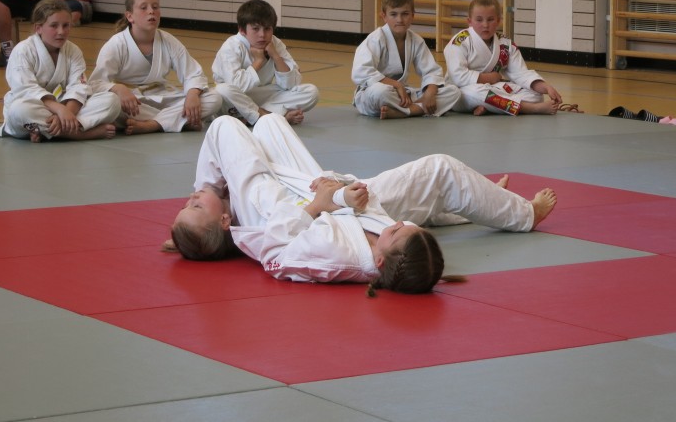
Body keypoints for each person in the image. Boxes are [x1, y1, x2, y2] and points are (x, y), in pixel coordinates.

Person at [169, 113, 558, 294]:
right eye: (408, 226)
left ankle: (213, 205)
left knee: (226, 126)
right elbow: (396, 225)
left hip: (276, 211)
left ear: (382, 259)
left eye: (398, 230)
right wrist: (342, 193)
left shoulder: (337, 257)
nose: (400, 224)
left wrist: (321, 203)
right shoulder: (392, 243)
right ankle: (522, 213)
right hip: (338, 198)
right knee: (439, 169)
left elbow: (275, 256)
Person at [89, 0, 221, 134]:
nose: (151, 11)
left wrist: (192, 94)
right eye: (143, 8)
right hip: (133, 103)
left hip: (164, 97)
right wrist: (118, 89)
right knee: (111, 104)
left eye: (155, 7)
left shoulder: (168, 40)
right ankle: (179, 121)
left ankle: (152, 125)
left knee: (213, 98)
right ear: (130, 16)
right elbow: (95, 84)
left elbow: (193, 74)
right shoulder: (116, 44)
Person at [0, 0, 120, 142]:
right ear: (38, 28)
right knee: (19, 110)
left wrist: (66, 112)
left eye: (66, 25)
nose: (61, 31)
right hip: (32, 108)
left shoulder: (73, 51)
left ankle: (48, 131)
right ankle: (80, 134)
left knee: (112, 101)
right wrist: (59, 109)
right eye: (54, 26)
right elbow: (25, 89)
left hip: (61, 108)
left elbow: (78, 87)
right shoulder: (23, 51)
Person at [444, 0, 562, 115]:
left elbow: (521, 73)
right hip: (462, 91)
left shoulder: (505, 44)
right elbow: (458, 76)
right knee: (475, 93)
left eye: (490, 19)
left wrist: (546, 87)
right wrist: (488, 78)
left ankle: (489, 106)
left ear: (498, 21)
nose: (485, 25)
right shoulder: (460, 42)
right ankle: (530, 108)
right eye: (479, 20)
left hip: (493, 88)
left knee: (536, 94)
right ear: (470, 21)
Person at [352, 0, 460, 119]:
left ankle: (402, 112)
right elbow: (360, 72)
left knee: (453, 91)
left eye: (405, 14)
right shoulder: (375, 39)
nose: (399, 19)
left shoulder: (416, 40)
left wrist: (429, 94)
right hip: (372, 95)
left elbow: (431, 72)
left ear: (413, 15)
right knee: (380, 92)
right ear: (384, 16)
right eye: (393, 14)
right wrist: (396, 85)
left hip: (403, 96)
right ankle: (417, 109)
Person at [211, 0, 319, 125]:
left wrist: (275, 56)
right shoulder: (231, 46)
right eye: (255, 29)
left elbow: (290, 85)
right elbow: (237, 86)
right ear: (242, 30)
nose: (262, 35)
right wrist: (259, 61)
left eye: (267, 28)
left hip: (260, 96)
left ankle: (255, 117)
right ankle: (274, 117)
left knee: (311, 92)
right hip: (234, 101)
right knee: (223, 89)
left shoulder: (275, 43)